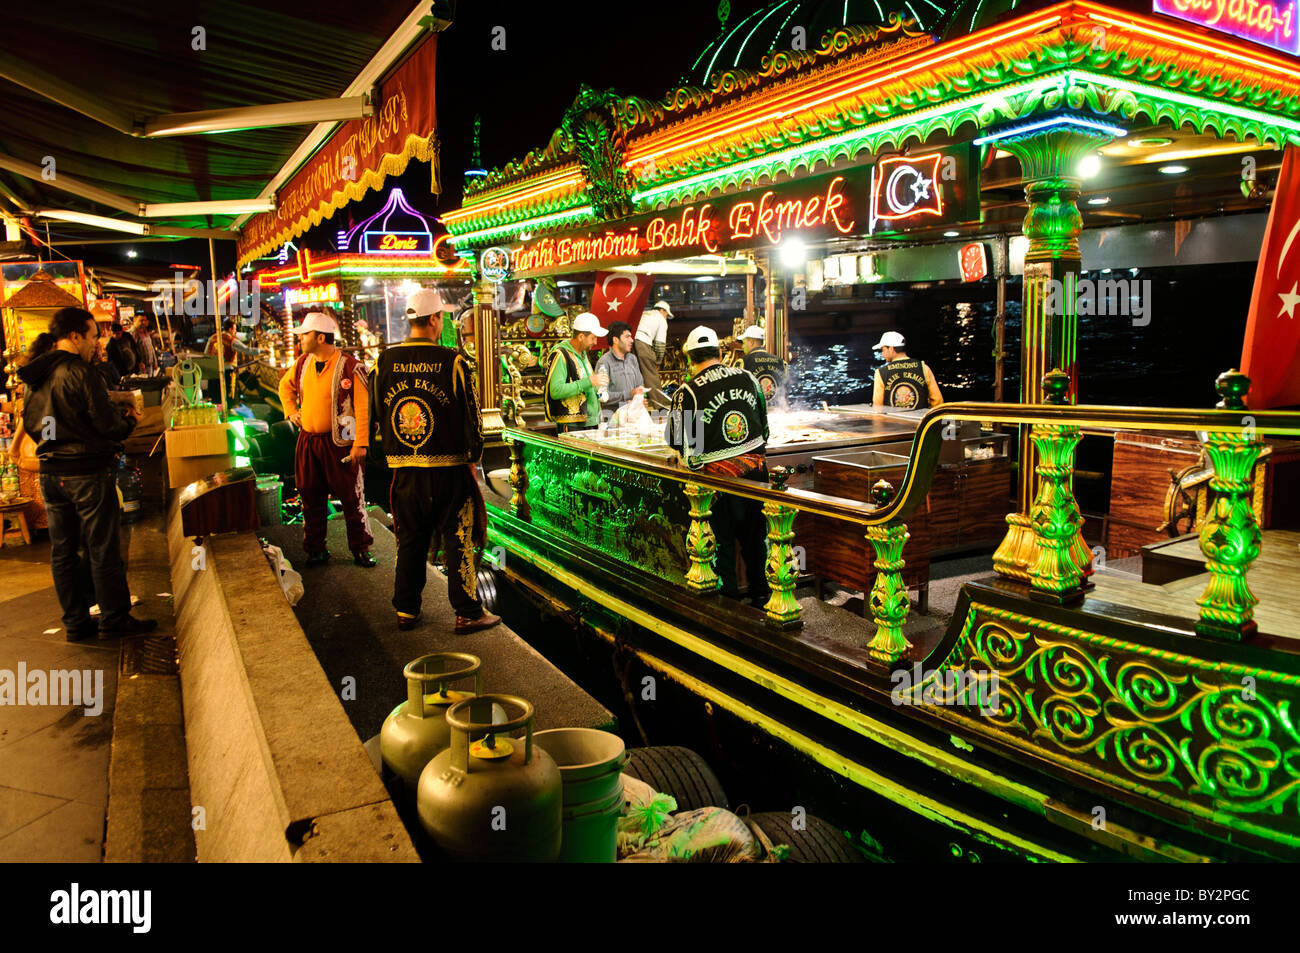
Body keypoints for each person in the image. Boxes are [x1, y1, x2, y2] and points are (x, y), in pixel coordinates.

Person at [17, 308, 157, 640]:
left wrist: (59, 442)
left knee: (63, 551)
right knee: (102, 547)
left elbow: (41, 426)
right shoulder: (79, 372)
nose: (96, 343)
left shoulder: (35, 375)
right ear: (76, 336)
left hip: (52, 475)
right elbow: (107, 424)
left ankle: (75, 623)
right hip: (86, 474)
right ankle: (113, 618)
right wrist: (129, 422)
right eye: (93, 335)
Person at [374, 289, 501, 633]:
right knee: (458, 538)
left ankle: (406, 610)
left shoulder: (384, 361)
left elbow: (377, 414)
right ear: (433, 320)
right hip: (449, 470)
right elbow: (474, 419)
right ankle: (467, 612)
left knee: (410, 539)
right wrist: (474, 458)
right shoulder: (454, 362)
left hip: (405, 471)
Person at [664, 325, 771, 608]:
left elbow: (680, 444)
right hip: (757, 476)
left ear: (689, 359)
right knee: (756, 543)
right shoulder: (749, 378)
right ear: (720, 353)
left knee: (721, 547)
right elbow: (765, 430)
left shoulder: (686, 392)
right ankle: (763, 598)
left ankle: (729, 606)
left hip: (716, 486)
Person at [277, 311, 375, 568]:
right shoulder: (302, 363)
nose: (301, 340)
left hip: (342, 442)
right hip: (309, 441)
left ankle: (360, 548)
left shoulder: (352, 367)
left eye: (304, 334)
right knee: (310, 496)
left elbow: (363, 408)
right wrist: (291, 411)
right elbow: (284, 387)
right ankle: (316, 549)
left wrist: (360, 444)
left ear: (320, 337)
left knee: (352, 498)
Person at [545, 311, 609, 433]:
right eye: (593, 338)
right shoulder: (560, 355)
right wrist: (589, 381)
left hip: (589, 422)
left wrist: (598, 388)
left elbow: (586, 383)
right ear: (581, 337)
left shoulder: (583, 354)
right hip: (573, 425)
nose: (595, 342)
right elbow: (556, 391)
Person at [871, 331, 944, 410]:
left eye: (883, 350)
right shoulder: (923, 368)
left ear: (891, 349)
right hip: (919, 420)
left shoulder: (881, 372)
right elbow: (937, 401)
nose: (882, 354)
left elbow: (878, 406)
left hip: (893, 421)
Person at [594, 320, 644, 412]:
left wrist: (640, 399)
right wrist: (629, 394)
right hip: (612, 418)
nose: (631, 340)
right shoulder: (604, 362)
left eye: (631, 337)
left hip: (633, 414)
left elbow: (639, 386)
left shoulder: (632, 359)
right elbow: (601, 396)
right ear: (615, 340)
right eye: (627, 337)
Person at [633, 300, 672, 408]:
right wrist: (658, 362)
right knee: (651, 375)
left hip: (630, 341)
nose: (666, 317)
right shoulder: (660, 319)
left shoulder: (645, 314)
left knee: (634, 376)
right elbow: (660, 344)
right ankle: (661, 407)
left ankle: (636, 405)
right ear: (661, 310)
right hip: (643, 343)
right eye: (666, 314)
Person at [739, 325, 788, 407]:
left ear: (751, 342)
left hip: (755, 415)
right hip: (778, 413)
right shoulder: (782, 363)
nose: (742, 346)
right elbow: (786, 391)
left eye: (744, 343)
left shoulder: (743, 362)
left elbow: (738, 392)